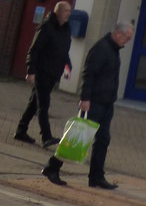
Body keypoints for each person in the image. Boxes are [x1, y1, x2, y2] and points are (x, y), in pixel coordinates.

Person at [42, 21, 134, 189]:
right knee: (76, 136)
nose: (127, 42)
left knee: (103, 139)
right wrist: (85, 99)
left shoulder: (113, 50)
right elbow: (89, 75)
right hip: (94, 101)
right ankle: (52, 167)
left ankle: (96, 176)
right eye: (127, 38)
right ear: (118, 34)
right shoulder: (101, 49)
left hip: (107, 102)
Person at [15, 1, 72, 148]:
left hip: (54, 72)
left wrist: (67, 67)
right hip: (42, 71)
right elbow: (34, 50)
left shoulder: (66, 29)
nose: (68, 14)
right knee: (43, 104)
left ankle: (21, 130)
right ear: (58, 11)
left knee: (34, 102)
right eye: (66, 11)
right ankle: (46, 136)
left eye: (69, 12)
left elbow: (63, 51)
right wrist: (31, 71)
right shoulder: (46, 27)